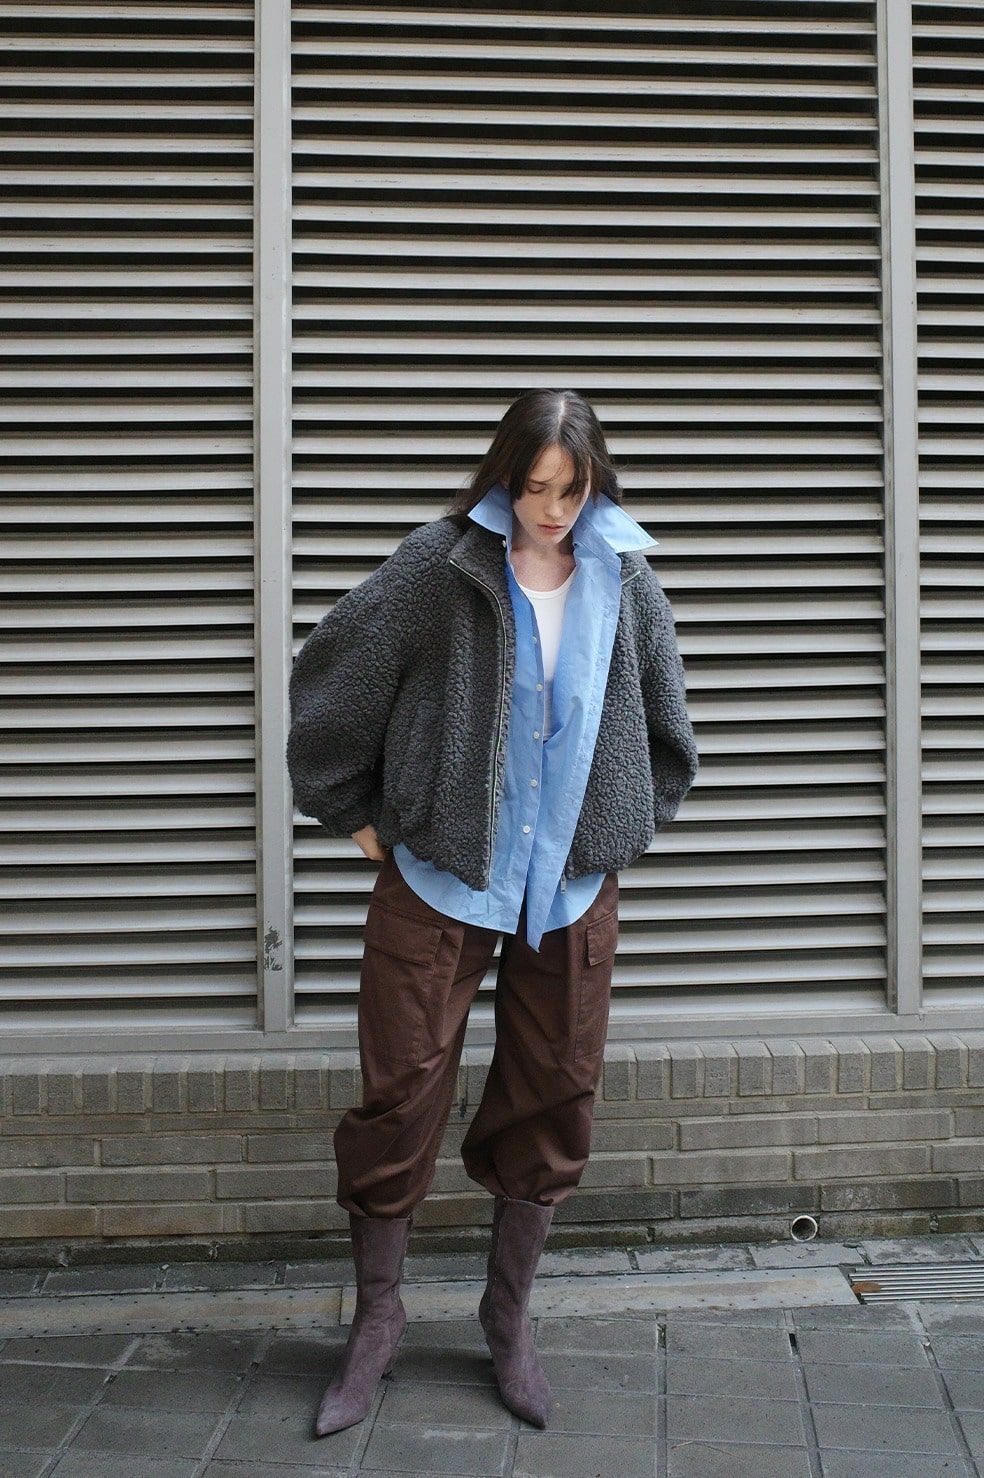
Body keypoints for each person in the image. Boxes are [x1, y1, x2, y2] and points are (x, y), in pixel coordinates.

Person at [286, 388, 699, 1436]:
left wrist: (620, 826)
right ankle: (378, 1319)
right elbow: (334, 672)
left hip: (569, 889)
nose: (552, 510)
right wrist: (353, 812)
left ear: (596, 484)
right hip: (440, 879)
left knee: (554, 1095)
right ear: (504, 478)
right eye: (535, 488)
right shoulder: (442, 566)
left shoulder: (625, 577)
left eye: (572, 490)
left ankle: (506, 1320)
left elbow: (665, 724)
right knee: (399, 1093)